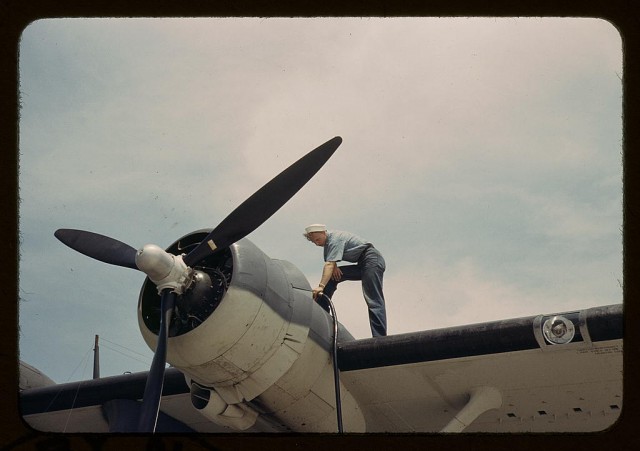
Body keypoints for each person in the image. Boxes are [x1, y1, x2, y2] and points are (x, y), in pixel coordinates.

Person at [303, 224, 387, 337]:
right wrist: (334, 266)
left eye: (318, 239)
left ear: (324, 232)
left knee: (373, 298)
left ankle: (380, 337)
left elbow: (329, 264)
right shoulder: (328, 243)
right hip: (362, 263)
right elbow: (331, 263)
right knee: (332, 278)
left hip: (372, 260)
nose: (317, 243)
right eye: (314, 242)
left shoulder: (334, 239)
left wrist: (321, 286)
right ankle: (322, 313)